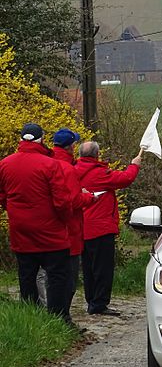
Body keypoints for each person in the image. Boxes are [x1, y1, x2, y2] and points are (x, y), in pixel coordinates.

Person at [0, 123, 73, 320]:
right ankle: (59, 318)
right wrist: (65, 220)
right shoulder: (51, 164)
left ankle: (31, 318)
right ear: (42, 139)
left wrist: (15, 213)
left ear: (21, 139)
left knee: (27, 275)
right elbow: (62, 201)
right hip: (51, 232)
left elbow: (3, 196)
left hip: (21, 230)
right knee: (57, 276)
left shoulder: (5, 164)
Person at [75, 141, 142, 316]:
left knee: (89, 268)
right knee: (103, 268)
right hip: (101, 228)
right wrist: (134, 165)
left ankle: (91, 300)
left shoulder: (72, 170)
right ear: (96, 155)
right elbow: (125, 178)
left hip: (82, 228)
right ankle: (99, 303)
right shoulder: (99, 174)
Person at [52, 127, 95, 318]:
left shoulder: (48, 162)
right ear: (70, 146)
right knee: (67, 279)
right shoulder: (67, 169)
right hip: (69, 230)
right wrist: (88, 198)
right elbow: (73, 201)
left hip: (49, 230)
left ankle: (52, 315)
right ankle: (63, 317)